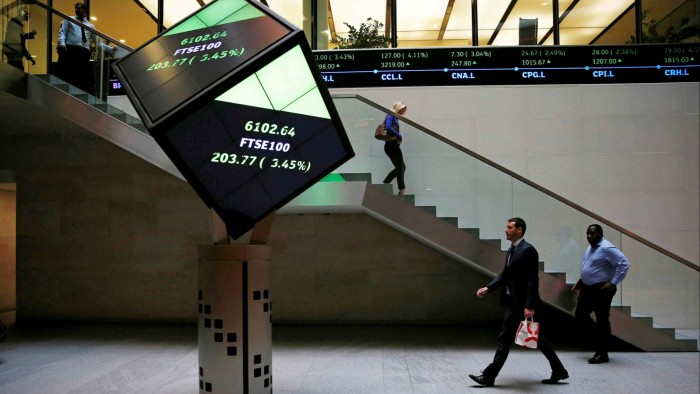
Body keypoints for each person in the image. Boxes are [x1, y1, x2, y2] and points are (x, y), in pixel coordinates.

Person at [469, 217, 569, 387]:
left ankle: (488, 376)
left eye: (509, 227)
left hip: (522, 305)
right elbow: (505, 275)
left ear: (520, 230)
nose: (505, 230)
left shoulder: (528, 250)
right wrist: (488, 288)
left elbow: (532, 280)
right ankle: (559, 370)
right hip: (514, 302)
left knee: (504, 338)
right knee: (538, 339)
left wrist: (529, 306)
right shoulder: (512, 250)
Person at [574, 224, 630, 364]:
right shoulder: (591, 247)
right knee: (580, 313)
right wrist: (582, 279)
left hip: (602, 288)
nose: (588, 236)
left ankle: (602, 353)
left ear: (600, 233)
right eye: (587, 234)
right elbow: (591, 266)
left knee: (602, 319)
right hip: (587, 287)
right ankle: (599, 338)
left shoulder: (606, 247)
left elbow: (624, 263)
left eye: (591, 234)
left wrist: (614, 282)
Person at [56, 3, 115, 93]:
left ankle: (80, 93)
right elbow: (62, 32)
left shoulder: (90, 26)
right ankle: (64, 92)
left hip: (83, 52)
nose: (77, 10)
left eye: (79, 8)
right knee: (68, 73)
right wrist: (62, 44)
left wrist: (110, 49)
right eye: (76, 8)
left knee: (82, 75)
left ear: (85, 11)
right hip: (71, 49)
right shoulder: (69, 19)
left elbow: (97, 42)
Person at [381, 101, 407, 195]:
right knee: (401, 167)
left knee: (401, 167)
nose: (402, 112)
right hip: (391, 145)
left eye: (403, 110)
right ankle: (387, 183)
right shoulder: (390, 115)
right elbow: (388, 127)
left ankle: (401, 189)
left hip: (393, 145)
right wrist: (399, 136)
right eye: (401, 109)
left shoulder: (394, 116)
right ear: (397, 108)